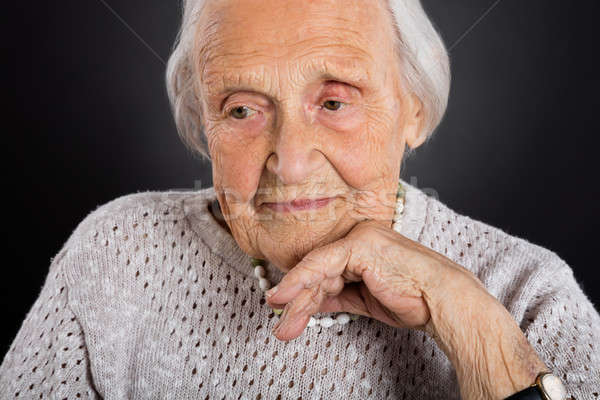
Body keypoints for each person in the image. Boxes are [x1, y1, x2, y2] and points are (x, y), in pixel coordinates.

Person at [2, 0, 599, 399]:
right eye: (242, 109)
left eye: (334, 102)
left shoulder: (527, 292)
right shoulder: (115, 254)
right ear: (202, 120)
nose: (289, 160)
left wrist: (472, 325)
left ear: (412, 108)